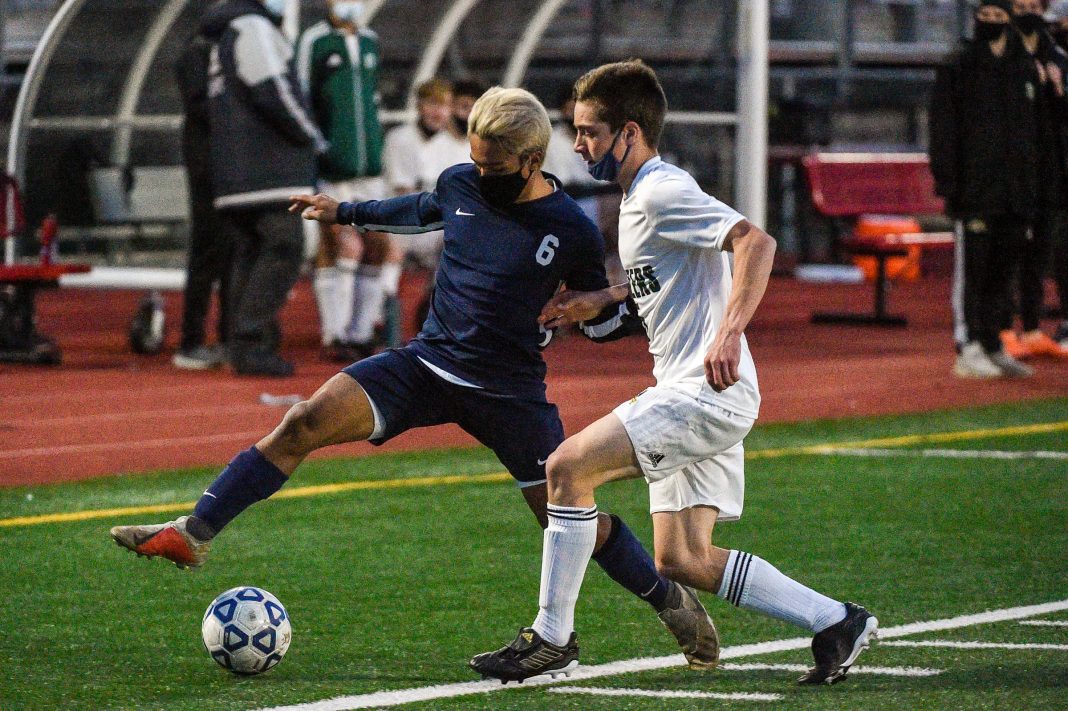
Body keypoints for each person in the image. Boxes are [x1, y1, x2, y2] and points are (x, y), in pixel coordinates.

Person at [109, 87, 722, 670]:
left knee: (569, 520)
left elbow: (603, 317)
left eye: (495, 165)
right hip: (424, 366)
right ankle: (194, 532)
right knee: (303, 421)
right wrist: (342, 211)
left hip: (508, 394)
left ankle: (666, 599)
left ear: (532, 160)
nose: (480, 174)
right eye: (475, 161)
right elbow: (417, 211)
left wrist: (603, 312)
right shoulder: (461, 181)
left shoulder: (570, 227)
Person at [470, 60, 877, 687]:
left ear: (630, 133)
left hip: (704, 392)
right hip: (701, 391)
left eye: (590, 132)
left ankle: (551, 637)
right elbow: (668, 280)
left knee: (565, 468)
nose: (577, 145)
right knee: (682, 557)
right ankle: (837, 621)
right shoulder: (640, 199)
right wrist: (602, 300)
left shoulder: (660, 189)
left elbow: (755, 243)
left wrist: (731, 332)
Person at [203, 0, 326, 376]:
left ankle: (244, 344)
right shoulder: (254, 28)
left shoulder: (224, 35)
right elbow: (274, 89)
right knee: (285, 247)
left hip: (236, 172)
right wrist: (312, 137)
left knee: (252, 252)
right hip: (268, 171)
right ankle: (252, 339)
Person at [929, 0, 1040, 379]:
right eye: (986, 16)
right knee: (973, 274)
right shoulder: (958, 65)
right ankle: (969, 345)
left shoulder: (1021, 66)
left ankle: (993, 343)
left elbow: (1032, 132)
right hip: (975, 191)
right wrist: (950, 184)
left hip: (1013, 192)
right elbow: (943, 130)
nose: (992, 23)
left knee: (1002, 273)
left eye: (998, 17)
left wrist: (1031, 186)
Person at [295, 0, 391, 362]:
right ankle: (334, 333)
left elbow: (374, 99)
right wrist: (320, 149)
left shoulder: (369, 41)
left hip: (370, 168)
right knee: (336, 245)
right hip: (332, 168)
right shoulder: (315, 42)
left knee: (378, 244)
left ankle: (362, 330)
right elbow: (302, 98)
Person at [999, 0, 1068, 359]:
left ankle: (1031, 327)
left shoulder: (1055, 56)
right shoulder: (1001, 55)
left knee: (1041, 256)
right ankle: (998, 330)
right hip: (1013, 173)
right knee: (1009, 254)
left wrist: (1057, 89)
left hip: (1049, 173)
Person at [172, 25, 231, 371]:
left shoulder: (223, 46)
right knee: (207, 251)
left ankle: (228, 335)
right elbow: (199, 104)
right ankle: (191, 340)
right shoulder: (198, 50)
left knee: (230, 253)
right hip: (209, 166)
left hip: (228, 167)